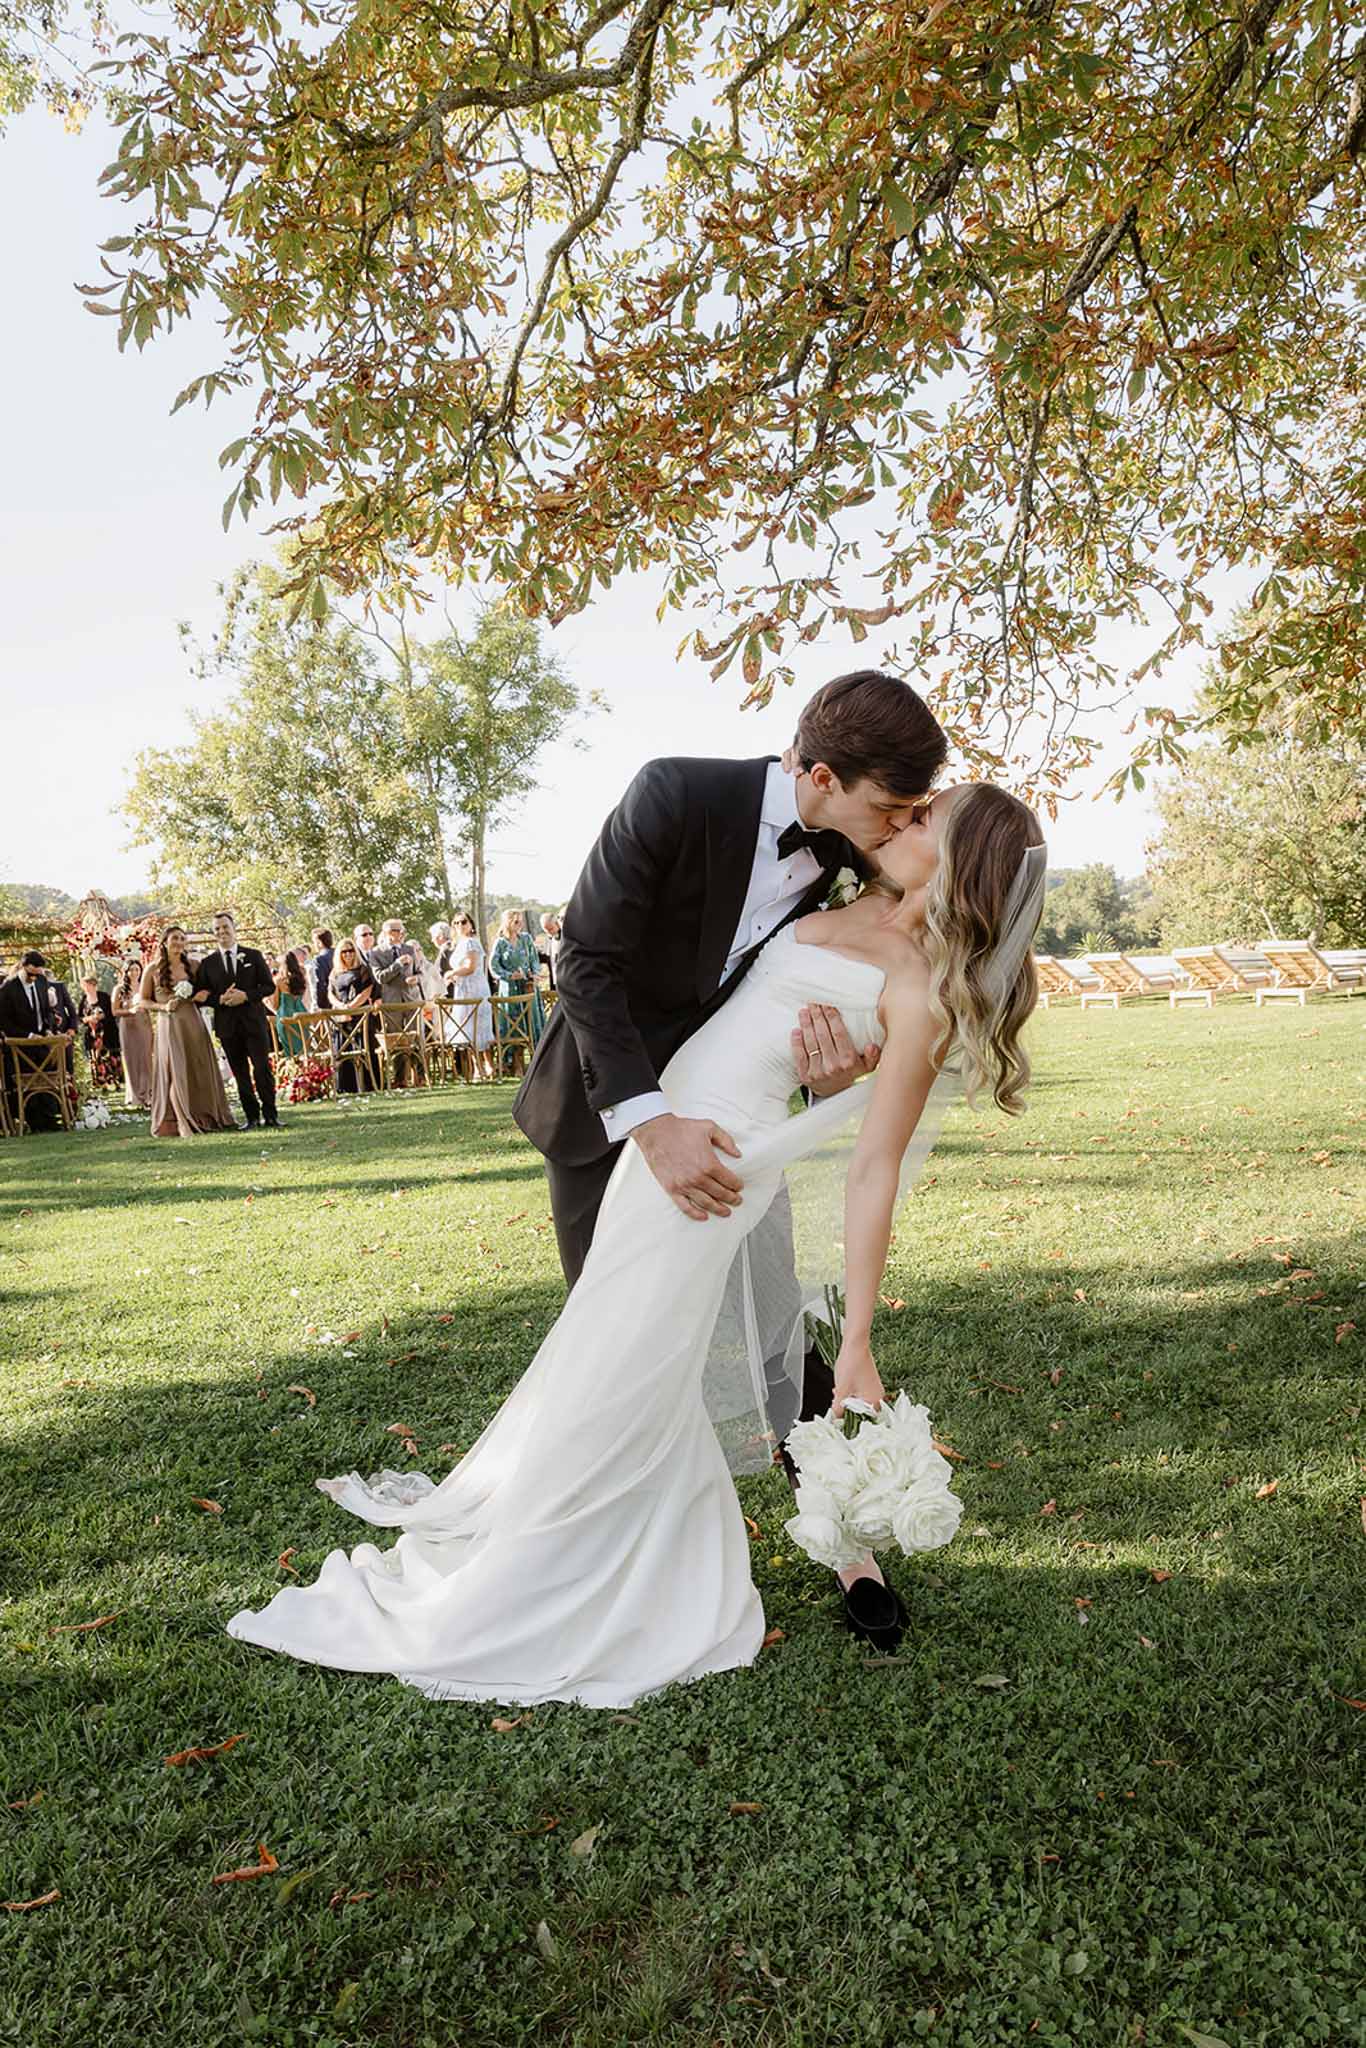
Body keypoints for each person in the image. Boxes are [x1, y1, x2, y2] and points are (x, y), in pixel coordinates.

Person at [226, 777, 1045, 1706]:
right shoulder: (845, 893)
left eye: (925, 817)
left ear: (961, 862)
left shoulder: (920, 991)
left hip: (714, 1172)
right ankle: (577, 1548)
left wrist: (858, 1337)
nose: (901, 817)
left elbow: (871, 1169)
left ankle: (562, 1582)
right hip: (656, 1146)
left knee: (625, 1372)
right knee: (609, 1363)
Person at [140, 927, 236, 1137]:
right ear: (164, 942)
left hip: (193, 1021)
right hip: (169, 1024)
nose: (179, 942)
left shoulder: (194, 965)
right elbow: (143, 1001)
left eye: (182, 938)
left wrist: (203, 994)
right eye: (175, 938)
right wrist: (163, 1007)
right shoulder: (152, 969)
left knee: (197, 1069)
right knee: (175, 1072)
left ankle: (204, 1115)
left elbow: (209, 989)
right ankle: (182, 1122)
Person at [194, 911, 280, 1130]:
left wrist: (246, 995)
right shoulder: (208, 963)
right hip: (228, 1027)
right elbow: (200, 995)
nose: (222, 931)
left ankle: (271, 1115)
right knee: (240, 1074)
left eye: (225, 927)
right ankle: (251, 1117)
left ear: (234, 928)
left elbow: (268, 986)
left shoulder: (253, 955)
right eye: (217, 929)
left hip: (254, 1023)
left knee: (262, 1069)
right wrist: (219, 999)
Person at [0, 951, 75, 1129]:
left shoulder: (42, 981)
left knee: (48, 1078)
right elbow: (4, 1021)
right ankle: (35, 1121)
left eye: (38, 974)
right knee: (27, 1083)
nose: (34, 978)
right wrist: (28, 1035)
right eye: (31, 974)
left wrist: (48, 1029)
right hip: (20, 1046)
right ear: (24, 967)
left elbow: (47, 1011)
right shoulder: (8, 988)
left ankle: (50, 1119)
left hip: (42, 1040)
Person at [490, 908, 546, 1069]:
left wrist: (534, 974)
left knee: (532, 1021)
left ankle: (537, 1062)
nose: (519, 924)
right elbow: (493, 967)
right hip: (509, 989)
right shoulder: (500, 943)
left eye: (521, 921)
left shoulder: (526, 939)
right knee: (514, 1023)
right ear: (507, 923)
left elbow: (534, 960)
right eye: (516, 921)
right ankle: (516, 1062)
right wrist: (509, 975)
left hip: (528, 987)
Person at [447, 911, 495, 1080]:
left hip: (475, 988)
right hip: (462, 988)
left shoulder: (471, 942)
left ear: (471, 924)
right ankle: (478, 1068)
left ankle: (488, 1066)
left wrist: (452, 973)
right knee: (467, 1027)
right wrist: (455, 977)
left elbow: (471, 967)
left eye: (463, 922)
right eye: (456, 923)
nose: (460, 925)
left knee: (479, 1026)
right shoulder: (459, 944)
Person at [328, 936, 379, 1092]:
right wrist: (342, 1007)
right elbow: (330, 994)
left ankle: (368, 1085)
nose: (348, 954)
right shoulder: (335, 973)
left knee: (364, 1048)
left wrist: (351, 1007)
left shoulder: (363, 969)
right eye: (344, 952)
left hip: (360, 1015)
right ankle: (346, 1087)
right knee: (342, 1050)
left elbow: (367, 990)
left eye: (351, 951)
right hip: (341, 1015)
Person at [111, 956, 153, 1108]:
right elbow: (114, 1011)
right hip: (128, 1027)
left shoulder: (145, 986)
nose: (135, 973)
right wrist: (130, 1011)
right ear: (126, 972)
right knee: (131, 1060)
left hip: (144, 1025)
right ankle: (135, 1095)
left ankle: (148, 1094)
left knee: (146, 1059)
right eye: (131, 970)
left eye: (137, 969)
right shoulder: (119, 989)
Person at [77, 975, 122, 1090]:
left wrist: (102, 1016)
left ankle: (116, 1082)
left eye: (88, 985)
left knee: (111, 1057)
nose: (86, 988)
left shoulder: (104, 996)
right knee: (97, 1059)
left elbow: (112, 1012)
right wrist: (88, 1019)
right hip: (93, 1035)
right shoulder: (84, 1000)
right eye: (84, 985)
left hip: (108, 1032)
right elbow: (80, 1018)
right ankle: (102, 1084)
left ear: (93, 985)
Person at [273, 949, 310, 1058]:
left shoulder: (279, 980)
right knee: (303, 1046)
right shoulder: (301, 978)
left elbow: (275, 1005)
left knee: (290, 1049)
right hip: (301, 1012)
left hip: (285, 1013)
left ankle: (293, 1065)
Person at [311, 929, 335, 1012]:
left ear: (319, 942)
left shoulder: (319, 959)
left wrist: (319, 1004)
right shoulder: (338, 953)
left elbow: (320, 983)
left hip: (328, 1002)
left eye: (314, 942)